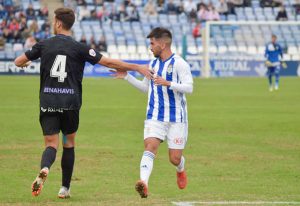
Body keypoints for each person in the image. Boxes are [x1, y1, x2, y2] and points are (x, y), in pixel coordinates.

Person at [14, 7, 151, 199]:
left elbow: (18, 61)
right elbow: (110, 63)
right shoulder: (80, 48)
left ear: (59, 23)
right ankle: (64, 189)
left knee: (51, 145)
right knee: (68, 144)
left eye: (54, 21)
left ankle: (45, 168)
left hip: (48, 101)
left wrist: (24, 63)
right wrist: (136, 67)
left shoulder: (43, 44)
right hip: (70, 102)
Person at [111, 27, 193, 198]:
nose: (150, 47)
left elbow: (189, 87)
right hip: (154, 116)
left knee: (174, 159)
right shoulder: (153, 64)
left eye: (152, 43)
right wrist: (126, 76)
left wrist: (168, 83)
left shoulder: (179, 63)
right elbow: (145, 88)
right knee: (150, 146)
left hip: (176, 118)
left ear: (162, 45)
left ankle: (180, 168)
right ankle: (144, 183)